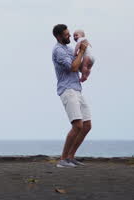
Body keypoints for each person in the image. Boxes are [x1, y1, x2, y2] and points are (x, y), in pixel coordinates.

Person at [52, 24, 92, 168]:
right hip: (67, 90)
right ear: (58, 36)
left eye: (69, 33)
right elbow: (73, 67)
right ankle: (63, 160)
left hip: (77, 88)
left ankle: (70, 157)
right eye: (66, 34)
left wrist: (87, 55)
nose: (70, 36)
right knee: (77, 125)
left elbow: (80, 67)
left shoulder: (69, 50)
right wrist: (81, 51)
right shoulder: (58, 51)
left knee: (87, 125)